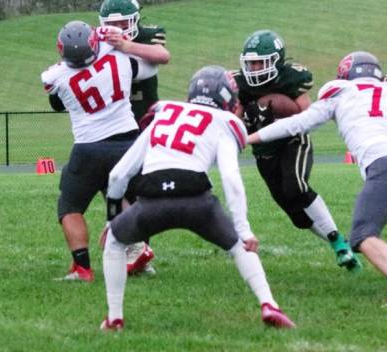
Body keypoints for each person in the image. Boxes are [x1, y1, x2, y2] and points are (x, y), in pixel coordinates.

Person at [100, 65, 295, 331]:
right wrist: (244, 229)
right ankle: (268, 304)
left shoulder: (164, 113)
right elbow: (230, 178)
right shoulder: (224, 122)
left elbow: (118, 175)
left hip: (151, 201)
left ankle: (114, 318)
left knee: (114, 241)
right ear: (227, 97)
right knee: (240, 246)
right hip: (197, 200)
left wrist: (114, 219)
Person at [247, 51, 387, 305]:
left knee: (362, 236)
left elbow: (295, 124)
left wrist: (248, 138)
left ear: (346, 75)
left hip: (384, 166)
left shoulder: (341, 92)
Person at [231, 30, 361, 272]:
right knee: (298, 217)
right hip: (263, 152)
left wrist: (273, 107)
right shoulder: (240, 84)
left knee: (296, 186)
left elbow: (305, 113)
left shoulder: (291, 79)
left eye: (261, 61)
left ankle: (337, 242)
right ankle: (341, 245)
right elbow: (233, 119)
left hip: (293, 141)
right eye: (251, 63)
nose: (256, 67)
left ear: (277, 61)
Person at [41, 20, 157, 282]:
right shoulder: (120, 58)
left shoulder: (57, 76)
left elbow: (52, 94)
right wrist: (121, 43)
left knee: (69, 207)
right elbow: (151, 67)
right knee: (126, 198)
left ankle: (82, 269)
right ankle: (138, 247)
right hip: (127, 142)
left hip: (89, 147)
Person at [98, 0, 170, 275]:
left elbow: (162, 55)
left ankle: (139, 250)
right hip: (112, 124)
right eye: (111, 24)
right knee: (111, 182)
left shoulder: (148, 35)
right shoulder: (97, 41)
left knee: (141, 189)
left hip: (144, 121)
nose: (116, 29)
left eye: (122, 23)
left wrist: (126, 46)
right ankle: (134, 246)